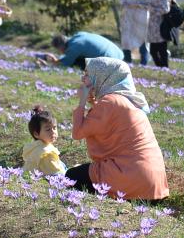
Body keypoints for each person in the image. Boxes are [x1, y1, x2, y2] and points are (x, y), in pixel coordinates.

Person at [65, 57, 169, 201]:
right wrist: (94, 102)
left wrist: (82, 102)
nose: (83, 78)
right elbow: (106, 123)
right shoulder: (125, 99)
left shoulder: (109, 101)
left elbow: (77, 133)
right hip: (153, 185)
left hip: (129, 177)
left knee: (70, 176)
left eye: (88, 74)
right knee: (82, 172)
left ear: (101, 77)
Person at [118, 0, 154, 65]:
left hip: (141, 15)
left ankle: (144, 61)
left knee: (142, 38)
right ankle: (127, 60)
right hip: (128, 14)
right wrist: (124, 2)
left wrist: (138, 5)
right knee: (126, 38)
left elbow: (150, 0)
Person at [37, 31, 123, 70]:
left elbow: (65, 63)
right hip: (119, 55)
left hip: (110, 62)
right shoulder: (79, 35)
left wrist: (53, 62)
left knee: (77, 62)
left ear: (61, 47)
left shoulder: (74, 48)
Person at [22, 105, 67, 176]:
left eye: (54, 128)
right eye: (48, 129)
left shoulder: (35, 146)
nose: (53, 132)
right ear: (36, 134)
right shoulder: (46, 153)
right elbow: (58, 175)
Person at [146, 0, 174, 68]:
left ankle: (164, 68)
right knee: (154, 50)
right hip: (154, 26)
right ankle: (161, 68)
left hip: (160, 25)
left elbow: (165, 9)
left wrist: (150, 8)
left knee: (160, 49)